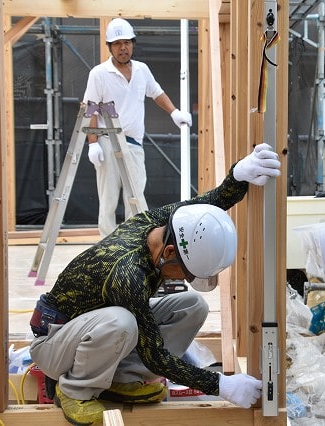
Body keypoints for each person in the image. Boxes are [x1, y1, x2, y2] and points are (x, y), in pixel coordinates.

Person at [29, 143, 281, 425]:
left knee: (192, 305)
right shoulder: (126, 273)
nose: (183, 279)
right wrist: (220, 385)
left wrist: (238, 176)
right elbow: (155, 355)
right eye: (184, 272)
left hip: (87, 333)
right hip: (54, 343)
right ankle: (75, 390)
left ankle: (124, 380)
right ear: (170, 252)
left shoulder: (162, 224)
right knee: (121, 321)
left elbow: (207, 205)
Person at [83, 17, 193, 238]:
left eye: (127, 42)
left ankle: (137, 244)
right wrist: (93, 144)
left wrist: (174, 112)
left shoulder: (142, 70)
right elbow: (90, 108)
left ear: (133, 43)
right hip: (108, 141)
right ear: (110, 47)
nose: (123, 48)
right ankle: (108, 248)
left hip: (133, 143)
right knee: (108, 199)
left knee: (136, 198)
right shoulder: (99, 73)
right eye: (117, 43)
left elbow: (156, 92)